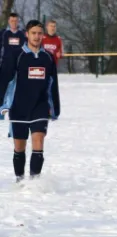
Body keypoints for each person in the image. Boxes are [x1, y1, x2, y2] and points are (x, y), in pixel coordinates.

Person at [0, 20, 60, 182]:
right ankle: (19, 180)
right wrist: (2, 105)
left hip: (40, 107)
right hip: (19, 107)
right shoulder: (17, 55)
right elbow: (5, 80)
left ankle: (34, 182)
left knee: (38, 141)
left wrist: (55, 109)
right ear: (27, 34)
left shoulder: (47, 57)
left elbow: (52, 84)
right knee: (19, 148)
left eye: (40, 33)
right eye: (33, 33)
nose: (37, 36)